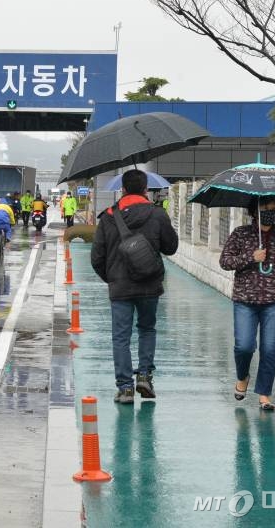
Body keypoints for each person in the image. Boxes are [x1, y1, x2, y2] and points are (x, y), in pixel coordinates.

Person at [91, 169, 179, 404]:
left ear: (122, 189)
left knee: (121, 337)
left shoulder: (108, 217)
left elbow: (96, 258)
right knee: (147, 329)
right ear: (146, 189)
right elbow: (171, 248)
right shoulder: (157, 214)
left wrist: (112, 278)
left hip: (120, 288)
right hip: (150, 285)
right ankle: (145, 376)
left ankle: (125, 388)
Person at [219, 196, 275, 411]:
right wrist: (250, 257)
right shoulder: (240, 233)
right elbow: (225, 261)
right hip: (245, 300)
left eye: (273, 209)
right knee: (244, 346)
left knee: (271, 349)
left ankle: (265, 393)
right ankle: (242, 376)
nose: (269, 211)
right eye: (265, 207)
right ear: (254, 210)